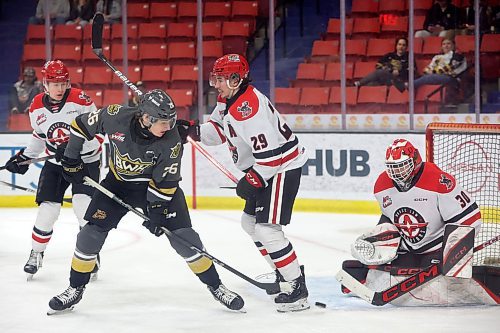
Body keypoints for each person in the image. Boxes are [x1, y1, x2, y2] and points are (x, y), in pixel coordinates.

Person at [47, 89, 244, 314]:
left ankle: (216, 286)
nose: (169, 127)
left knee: (185, 239)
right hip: (118, 184)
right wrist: (72, 155)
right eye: (163, 122)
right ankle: (75, 288)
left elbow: (167, 181)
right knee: (89, 235)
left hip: (156, 188)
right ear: (146, 118)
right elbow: (81, 124)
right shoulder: (115, 116)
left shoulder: (171, 140)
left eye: (171, 121)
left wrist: (157, 212)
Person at [178, 54, 309, 312]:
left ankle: (296, 287)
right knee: (250, 223)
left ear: (236, 78)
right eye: (214, 78)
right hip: (266, 167)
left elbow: (272, 157)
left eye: (220, 78)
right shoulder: (229, 99)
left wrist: (252, 180)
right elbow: (218, 130)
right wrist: (191, 131)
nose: (215, 84)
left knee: (267, 229)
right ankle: (284, 272)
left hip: (282, 167)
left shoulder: (247, 109)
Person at [340, 139, 500, 306]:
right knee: (382, 248)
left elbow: (469, 217)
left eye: (401, 166)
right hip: (409, 249)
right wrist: (381, 243)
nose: (396, 172)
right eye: (392, 167)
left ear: (415, 161)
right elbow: (388, 217)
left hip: (437, 249)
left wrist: (453, 253)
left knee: (452, 268)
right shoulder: (382, 185)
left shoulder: (438, 181)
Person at [2, 60, 102, 280]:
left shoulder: (80, 100)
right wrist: (24, 158)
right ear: (44, 84)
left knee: (82, 206)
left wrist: (73, 149)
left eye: (63, 83)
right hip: (56, 164)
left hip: (85, 162)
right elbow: (40, 136)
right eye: (54, 83)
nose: (59, 88)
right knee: (48, 210)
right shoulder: (37, 105)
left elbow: (99, 135)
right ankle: (36, 254)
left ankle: (89, 255)